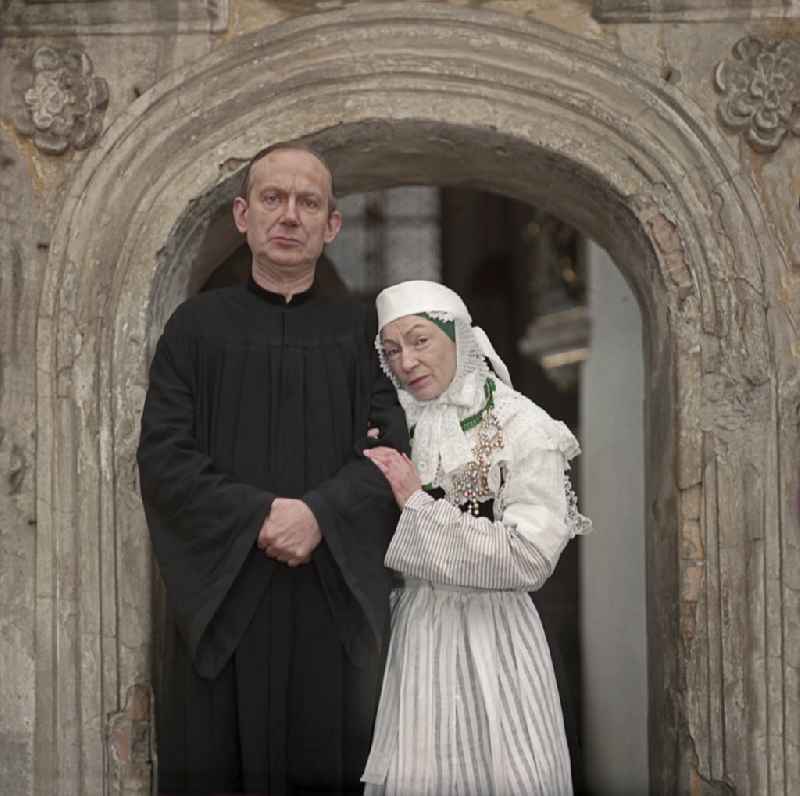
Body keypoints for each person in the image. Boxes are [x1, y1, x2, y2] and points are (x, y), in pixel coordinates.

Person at [137, 142, 409, 795]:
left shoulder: (360, 335)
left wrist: (320, 514)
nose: (289, 216)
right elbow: (164, 456)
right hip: (222, 611)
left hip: (327, 611)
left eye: (308, 203)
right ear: (242, 215)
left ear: (331, 225)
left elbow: (392, 454)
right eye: (273, 199)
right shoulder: (194, 329)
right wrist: (261, 516)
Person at [360, 280, 592, 796]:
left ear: (459, 338)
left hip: (496, 637)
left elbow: (529, 557)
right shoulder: (396, 428)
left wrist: (416, 502)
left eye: (420, 341)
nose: (406, 362)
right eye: (392, 349)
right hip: (419, 633)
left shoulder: (524, 427)